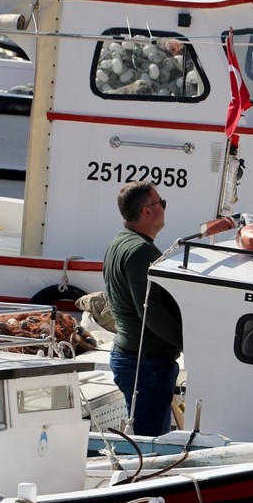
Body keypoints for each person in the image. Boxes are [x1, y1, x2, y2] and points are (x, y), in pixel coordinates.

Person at [103, 181, 183, 435]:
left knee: (145, 437)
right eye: (162, 203)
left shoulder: (121, 241)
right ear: (147, 211)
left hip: (136, 359)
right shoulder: (140, 251)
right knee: (150, 446)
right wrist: (187, 342)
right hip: (146, 365)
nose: (164, 208)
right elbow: (150, 310)